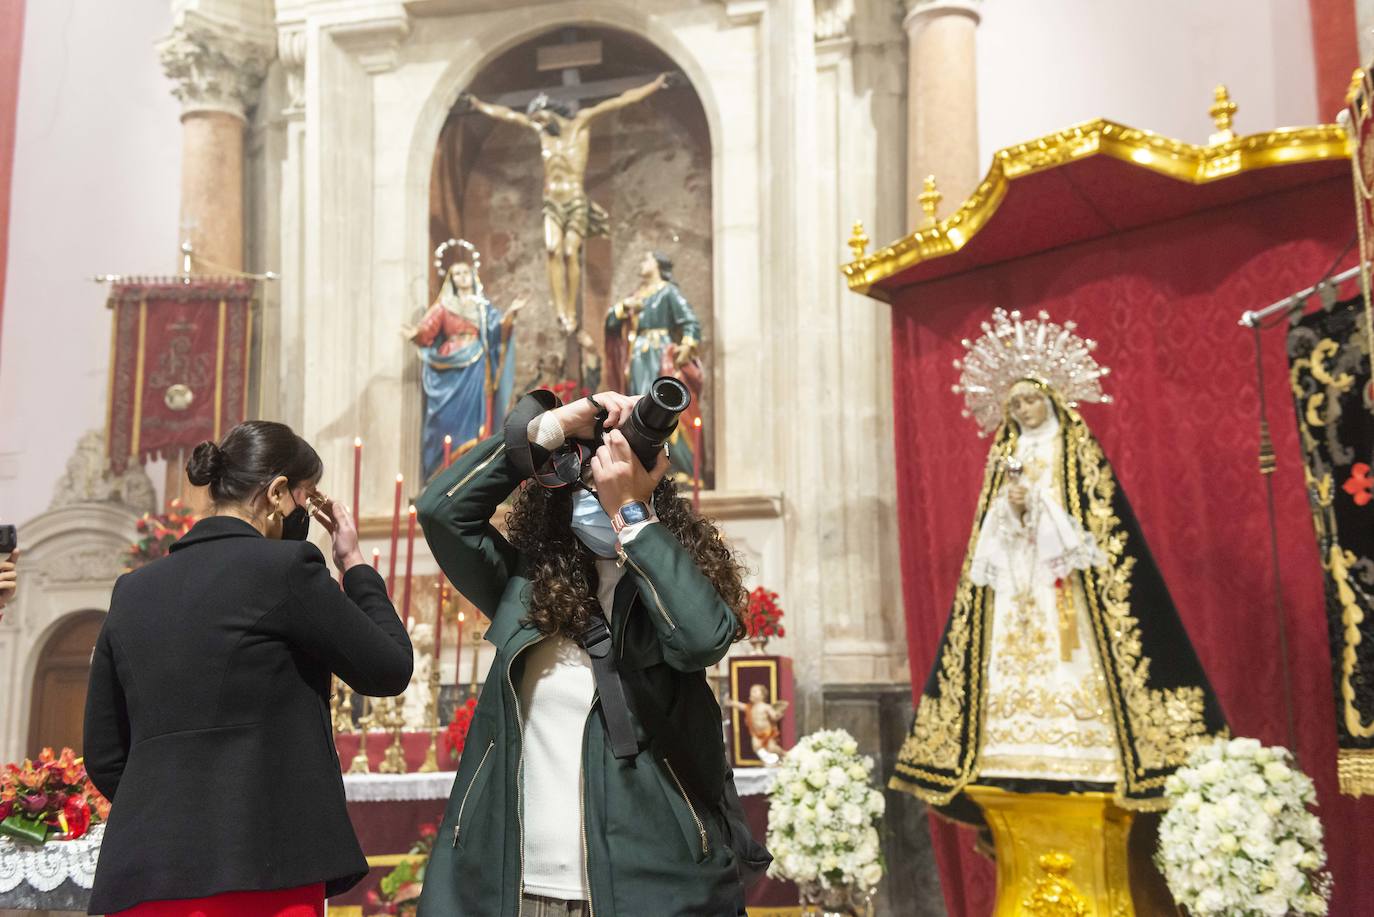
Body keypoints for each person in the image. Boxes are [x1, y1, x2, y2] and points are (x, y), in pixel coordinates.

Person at [416, 390, 761, 916]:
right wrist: (547, 429)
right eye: (586, 485)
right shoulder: (525, 588)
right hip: (519, 888)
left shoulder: (663, 589)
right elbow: (442, 512)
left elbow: (701, 638)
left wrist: (631, 515)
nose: (595, 497)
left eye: (606, 486)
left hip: (647, 890)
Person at [890, 308, 1226, 819]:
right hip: (1018, 580)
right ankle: (1009, 749)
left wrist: (1040, 507)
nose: (1024, 410)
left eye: (1030, 399)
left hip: (1066, 581)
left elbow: (1097, 519)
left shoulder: (1075, 447)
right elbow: (991, 527)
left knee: (1073, 654)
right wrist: (1012, 507)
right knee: (1008, 651)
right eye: (1016, 403)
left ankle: (1085, 748)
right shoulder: (1005, 454)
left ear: (1050, 398)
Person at [83, 420, 413, 917]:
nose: (304, 512)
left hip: (144, 872)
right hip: (262, 870)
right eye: (306, 498)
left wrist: (172, 813)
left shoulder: (131, 590)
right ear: (278, 492)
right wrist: (354, 564)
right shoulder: (284, 570)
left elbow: (105, 755)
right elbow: (389, 667)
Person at [458, 75, 672, 331]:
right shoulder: (542, 132)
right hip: (552, 202)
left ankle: (571, 311)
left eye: (539, 118)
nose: (537, 125)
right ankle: (559, 311)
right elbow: (508, 115)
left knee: (570, 252)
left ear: (550, 112)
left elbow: (619, 102)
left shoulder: (581, 124)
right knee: (551, 249)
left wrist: (656, 85)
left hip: (575, 201)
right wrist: (479, 105)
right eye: (535, 121)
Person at [404, 243, 522, 479]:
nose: (462, 277)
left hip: (477, 368)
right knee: (446, 419)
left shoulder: (483, 307)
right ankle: (442, 471)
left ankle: (472, 473)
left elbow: (497, 330)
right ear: (451, 279)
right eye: (457, 273)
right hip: (450, 368)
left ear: (473, 274)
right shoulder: (445, 305)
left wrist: (509, 315)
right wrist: (416, 334)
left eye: (465, 272)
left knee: (476, 422)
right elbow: (427, 330)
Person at [604, 251, 704, 484]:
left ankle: (678, 468)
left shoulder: (667, 291)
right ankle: (643, 464)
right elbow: (611, 322)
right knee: (639, 408)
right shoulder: (635, 296)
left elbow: (690, 321)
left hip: (660, 358)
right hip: (637, 359)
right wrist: (622, 308)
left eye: (645, 258)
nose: (642, 262)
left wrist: (688, 344)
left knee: (665, 407)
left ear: (658, 264)